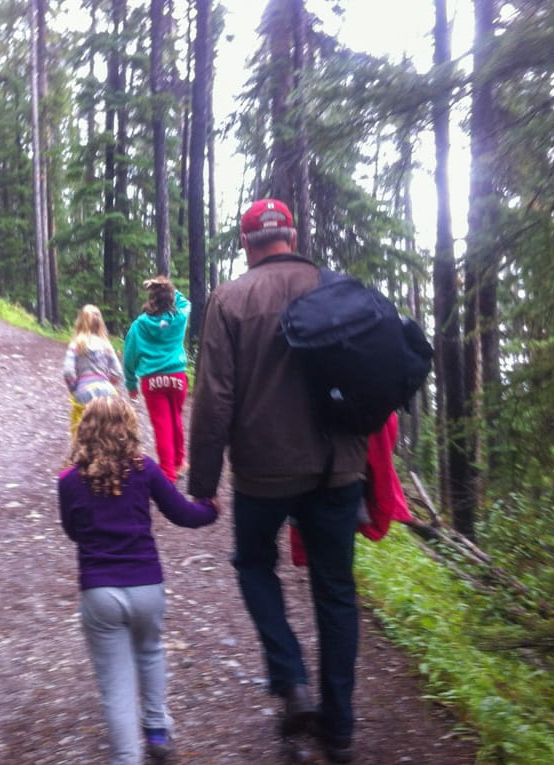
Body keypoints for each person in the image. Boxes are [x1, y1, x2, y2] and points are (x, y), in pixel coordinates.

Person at [187, 199, 367, 764]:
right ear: (292, 235)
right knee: (336, 590)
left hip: (264, 470)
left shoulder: (230, 300)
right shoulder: (335, 288)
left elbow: (215, 395)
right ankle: (339, 728)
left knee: (252, 563)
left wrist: (204, 480)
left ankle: (291, 679)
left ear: (247, 243)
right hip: (338, 466)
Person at [58, 395, 219, 765]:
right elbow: (183, 514)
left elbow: (73, 531)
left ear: (84, 431)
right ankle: (158, 732)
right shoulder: (143, 469)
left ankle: (127, 757)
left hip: (99, 592)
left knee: (116, 685)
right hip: (147, 587)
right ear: (128, 430)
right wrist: (210, 509)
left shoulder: (68, 480)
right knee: (149, 653)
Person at [122, 276, 191, 482]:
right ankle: (180, 462)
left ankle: (167, 473)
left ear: (151, 298)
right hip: (177, 377)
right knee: (176, 419)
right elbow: (186, 303)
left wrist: (131, 382)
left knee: (162, 425)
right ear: (171, 299)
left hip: (152, 381)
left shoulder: (139, 325)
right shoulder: (179, 319)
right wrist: (168, 289)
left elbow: (129, 355)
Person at [63, 304, 124, 437]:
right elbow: (118, 372)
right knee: (108, 431)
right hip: (107, 392)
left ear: (81, 322)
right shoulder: (106, 345)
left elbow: (68, 372)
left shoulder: (76, 344)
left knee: (81, 431)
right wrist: (108, 383)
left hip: (84, 392)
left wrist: (74, 388)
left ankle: (84, 455)